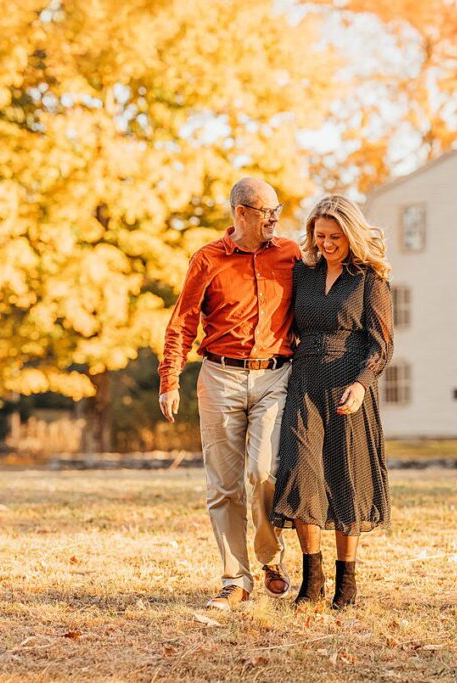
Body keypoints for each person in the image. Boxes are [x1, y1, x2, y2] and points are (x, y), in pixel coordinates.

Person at [158, 177, 300, 610]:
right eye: (265, 212)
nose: (274, 219)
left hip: (275, 375)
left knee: (262, 471)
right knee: (223, 486)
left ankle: (269, 557)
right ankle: (235, 580)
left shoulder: (291, 255)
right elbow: (182, 321)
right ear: (241, 214)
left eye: (277, 211)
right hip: (219, 376)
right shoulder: (207, 259)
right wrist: (170, 379)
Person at [270, 195, 393, 610]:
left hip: (348, 385)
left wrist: (361, 384)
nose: (326, 243)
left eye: (335, 236)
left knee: (346, 478)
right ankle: (312, 580)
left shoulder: (369, 280)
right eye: (320, 236)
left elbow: (382, 345)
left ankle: (348, 582)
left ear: (351, 234)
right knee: (301, 476)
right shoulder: (303, 274)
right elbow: (285, 319)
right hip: (304, 381)